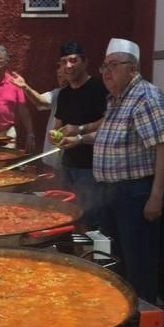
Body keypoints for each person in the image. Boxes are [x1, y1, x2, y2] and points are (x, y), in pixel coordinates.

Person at [90, 38, 164, 303]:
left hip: (135, 193)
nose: (106, 71)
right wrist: (79, 137)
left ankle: (141, 320)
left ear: (133, 69)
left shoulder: (145, 97)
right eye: (104, 66)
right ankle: (117, 311)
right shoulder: (117, 99)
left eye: (114, 65)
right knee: (112, 254)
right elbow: (112, 138)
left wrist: (155, 196)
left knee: (138, 260)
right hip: (111, 193)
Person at [52, 41, 108, 228]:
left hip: (91, 168)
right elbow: (58, 125)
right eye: (63, 62)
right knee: (66, 216)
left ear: (85, 62)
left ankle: (88, 255)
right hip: (67, 164)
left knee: (89, 217)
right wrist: (55, 135)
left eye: (73, 60)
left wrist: (80, 129)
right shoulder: (64, 94)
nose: (68, 66)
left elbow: (109, 121)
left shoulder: (99, 88)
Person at [10, 59, 67, 174]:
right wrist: (25, 87)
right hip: (53, 161)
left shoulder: (85, 93)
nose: (61, 80)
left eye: (64, 75)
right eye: (59, 77)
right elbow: (40, 102)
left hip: (73, 162)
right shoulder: (58, 94)